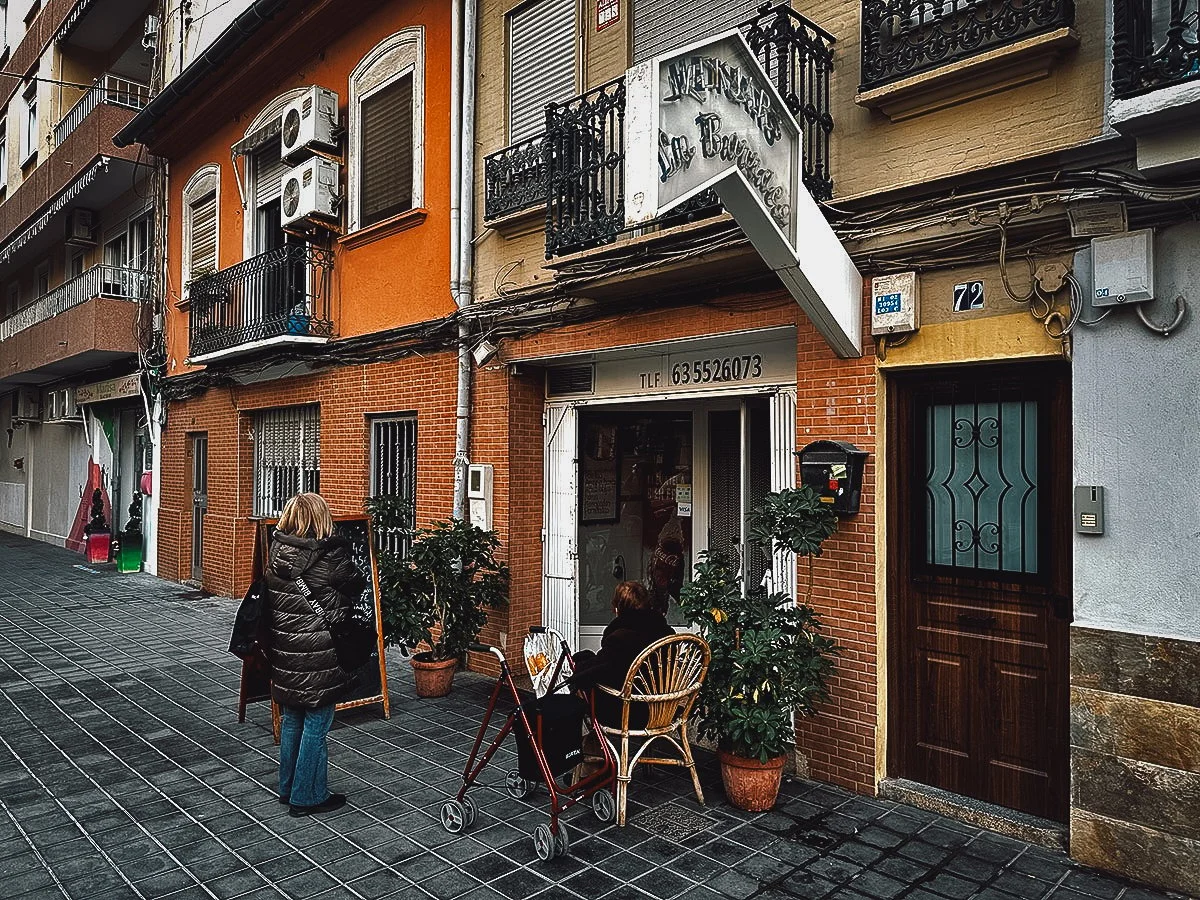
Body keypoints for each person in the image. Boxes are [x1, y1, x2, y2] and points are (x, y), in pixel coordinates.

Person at [265, 492, 365, 817]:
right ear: (320, 518)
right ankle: (307, 795)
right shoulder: (331, 556)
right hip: (320, 654)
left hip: (286, 653)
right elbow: (356, 584)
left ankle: (288, 787)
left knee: (293, 717)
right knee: (317, 723)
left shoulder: (276, 551)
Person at [570, 580, 674, 730]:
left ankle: (591, 739)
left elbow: (600, 672)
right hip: (664, 709)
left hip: (630, 714)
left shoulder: (620, 639)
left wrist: (578, 666)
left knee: (583, 682)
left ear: (617, 608)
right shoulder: (667, 634)